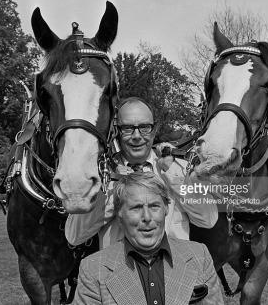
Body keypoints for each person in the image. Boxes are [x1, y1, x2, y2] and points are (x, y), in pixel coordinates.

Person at [65, 97, 217, 249]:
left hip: (172, 268)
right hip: (119, 270)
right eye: (128, 128)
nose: (137, 136)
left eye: (144, 127)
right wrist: (113, 189)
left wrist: (172, 173)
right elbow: (74, 235)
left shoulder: (180, 169)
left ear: (154, 130)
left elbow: (209, 219)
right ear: (116, 131)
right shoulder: (101, 174)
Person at [73, 172, 224, 305]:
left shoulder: (199, 256)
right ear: (120, 216)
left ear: (166, 209)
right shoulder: (93, 269)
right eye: (136, 207)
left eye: (154, 206)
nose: (147, 217)